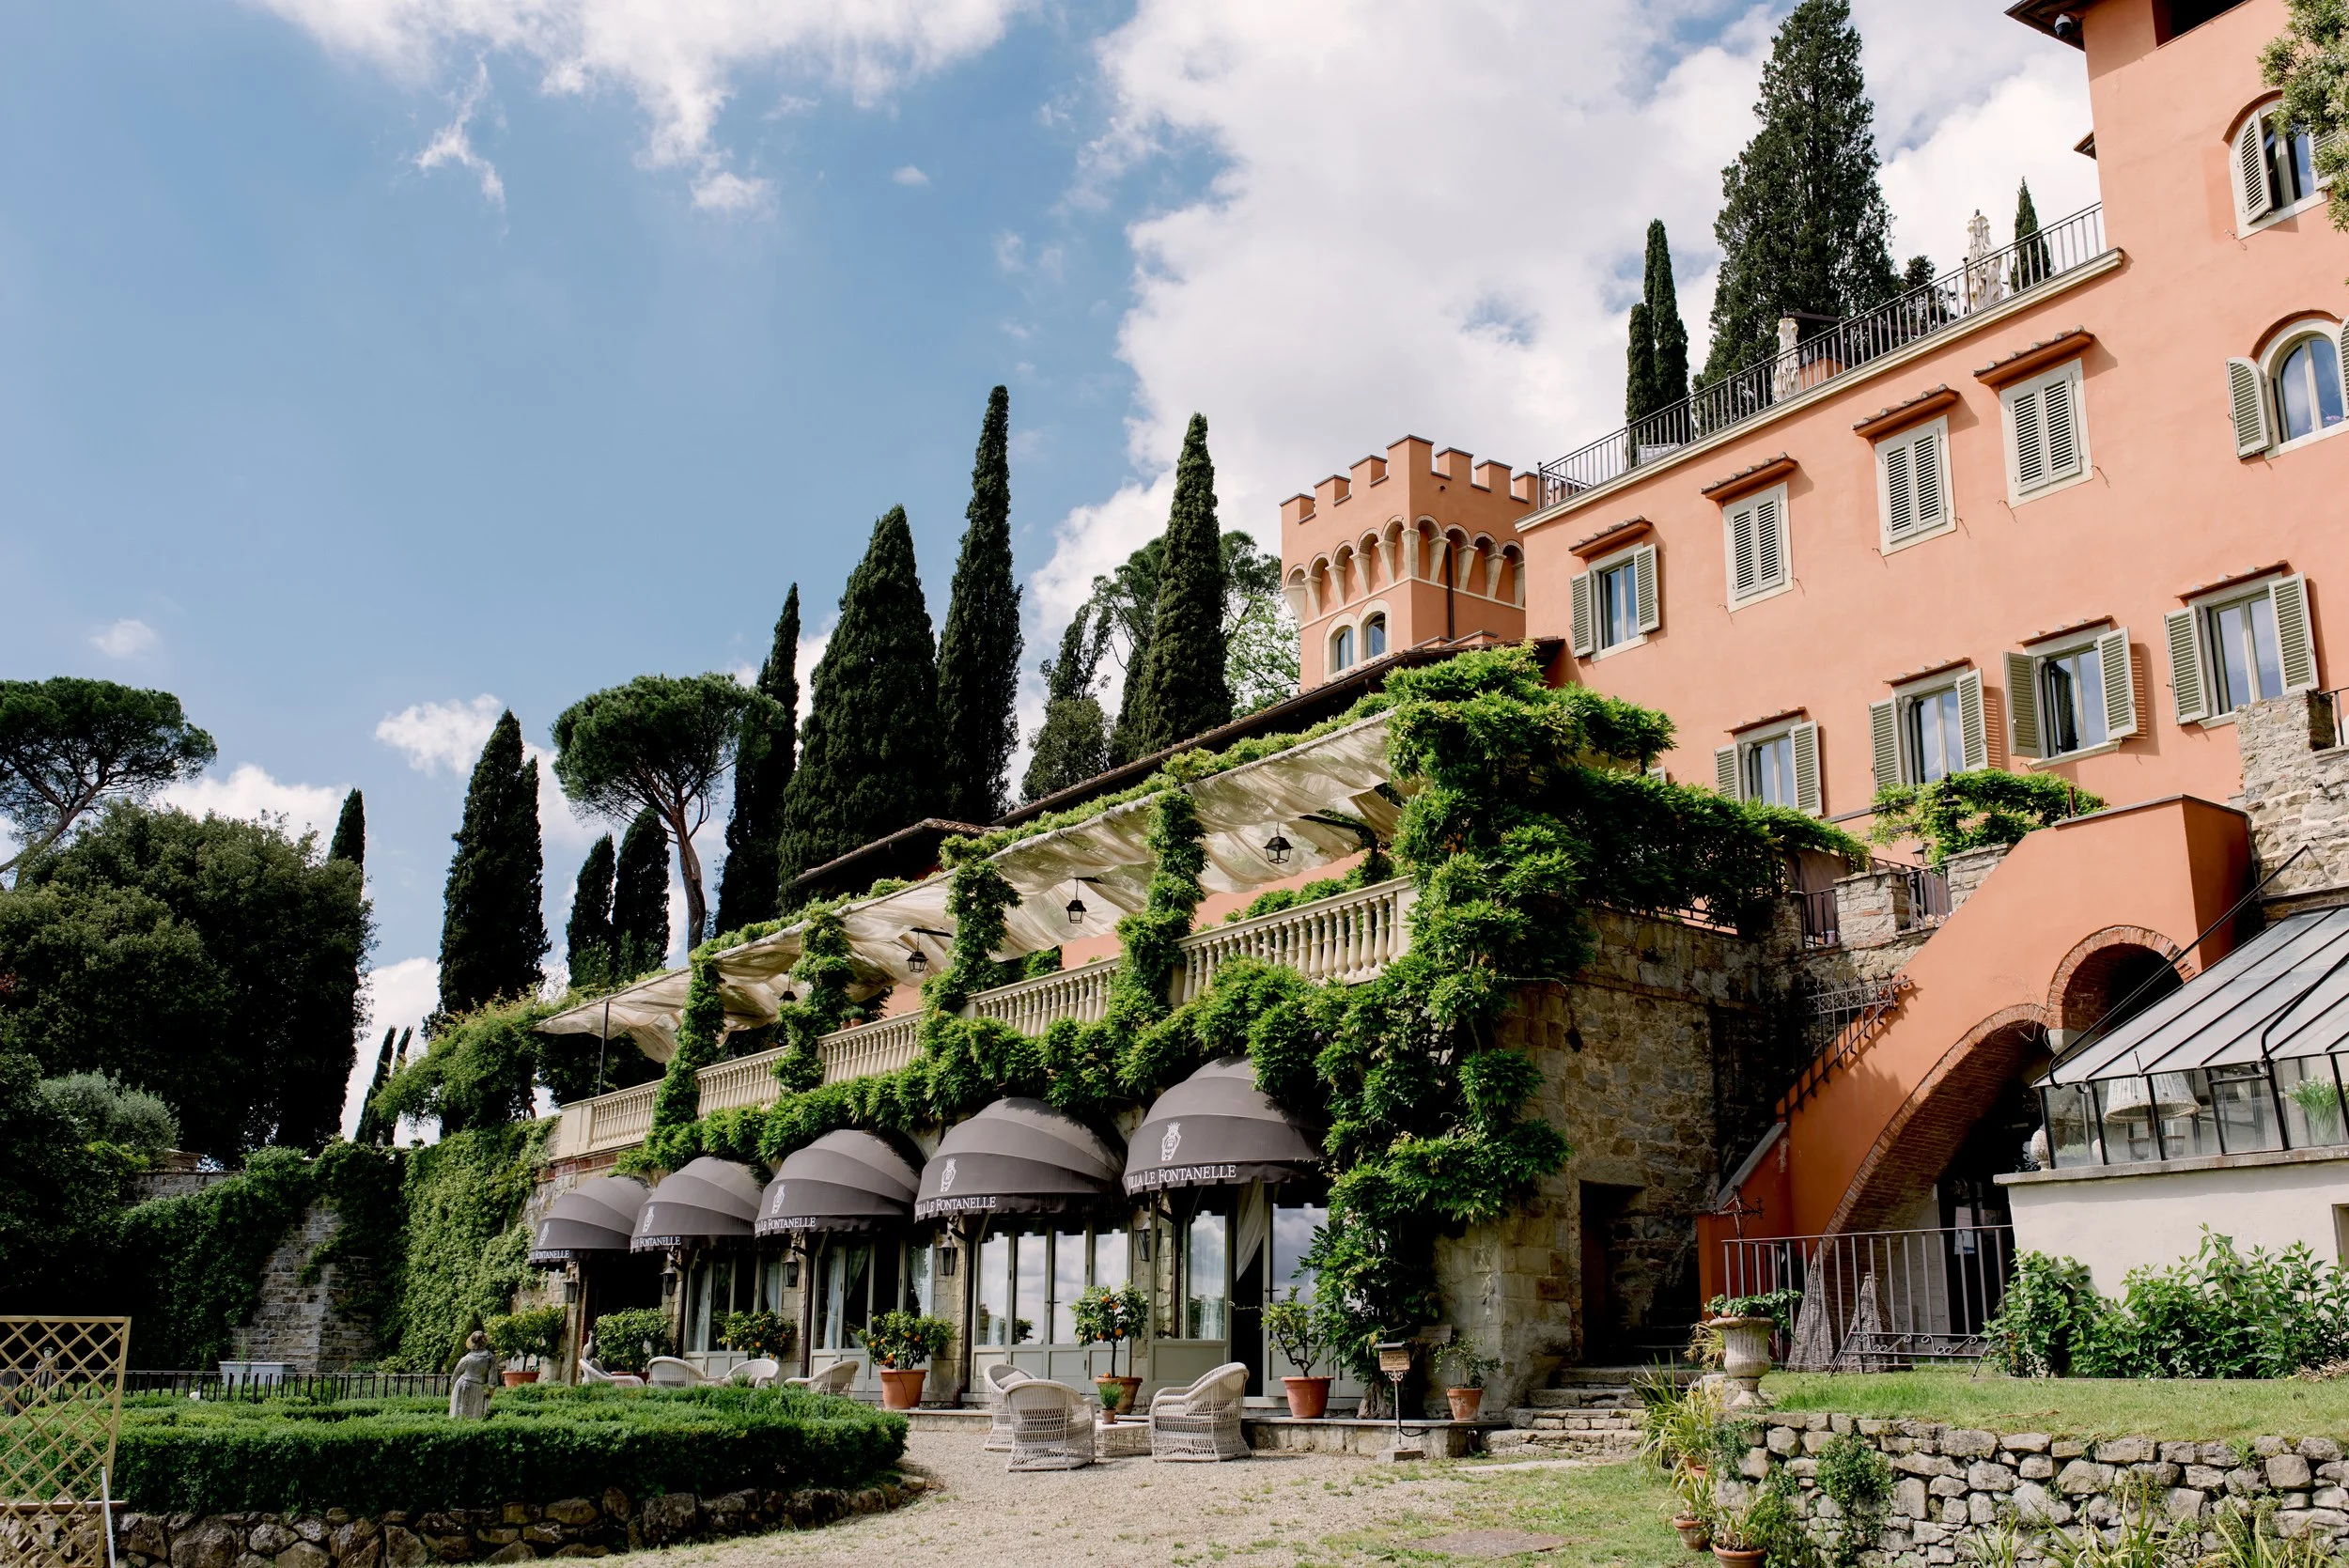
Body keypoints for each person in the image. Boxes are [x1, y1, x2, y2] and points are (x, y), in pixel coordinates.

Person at [449, 1329, 497, 1420]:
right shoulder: (490, 1358)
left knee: (458, 1414)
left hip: (461, 1385)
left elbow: (455, 1376)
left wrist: (453, 1392)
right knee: (474, 1416)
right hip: (477, 1388)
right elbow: (493, 1382)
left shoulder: (467, 1358)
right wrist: (489, 1396)